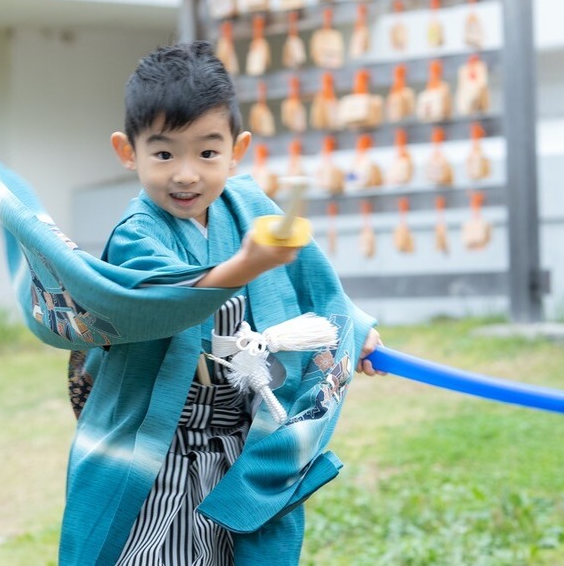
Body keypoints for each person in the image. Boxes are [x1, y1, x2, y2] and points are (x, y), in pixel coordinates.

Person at [59, 40, 382, 565]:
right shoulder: (137, 233)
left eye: (208, 152)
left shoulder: (249, 205)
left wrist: (357, 327)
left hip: (238, 444)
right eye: (164, 153)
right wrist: (245, 267)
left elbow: (317, 283)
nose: (186, 173)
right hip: (160, 453)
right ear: (127, 151)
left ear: (237, 149)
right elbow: (158, 299)